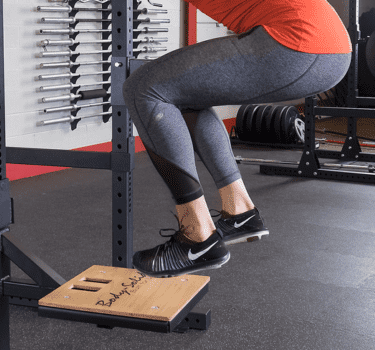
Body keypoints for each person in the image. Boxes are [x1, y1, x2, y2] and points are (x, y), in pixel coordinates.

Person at [122, 0, 352, 278]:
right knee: (184, 92)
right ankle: (240, 211)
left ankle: (197, 239)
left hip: (298, 42)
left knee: (143, 87)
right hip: (329, 47)